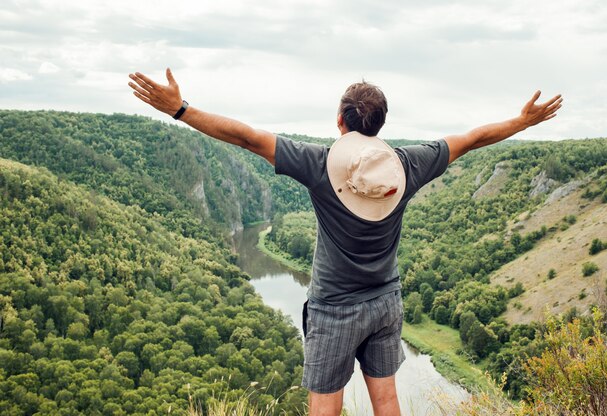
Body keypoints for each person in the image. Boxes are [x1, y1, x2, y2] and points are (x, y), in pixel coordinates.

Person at [128, 69, 562, 416]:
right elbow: (472, 139)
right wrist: (523, 122)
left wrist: (180, 109)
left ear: (340, 122)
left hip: (334, 306)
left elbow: (246, 137)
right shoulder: (410, 164)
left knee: (324, 407)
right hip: (386, 302)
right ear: (381, 124)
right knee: (387, 400)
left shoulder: (318, 164)